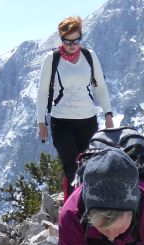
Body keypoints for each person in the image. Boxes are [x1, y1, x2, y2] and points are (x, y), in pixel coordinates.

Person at [36, 15, 115, 197]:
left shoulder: (89, 56)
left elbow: (100, 86)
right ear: (61, 38)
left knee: (90, 165)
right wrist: (41, 122)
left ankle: (90, 205)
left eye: (76, 40)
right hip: (61, 122)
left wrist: (108, 114)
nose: (72, 45)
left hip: (88, 120)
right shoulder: (52, 59)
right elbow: (42, 92)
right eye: (67, 41)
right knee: (71, 167)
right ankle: (72, 211)